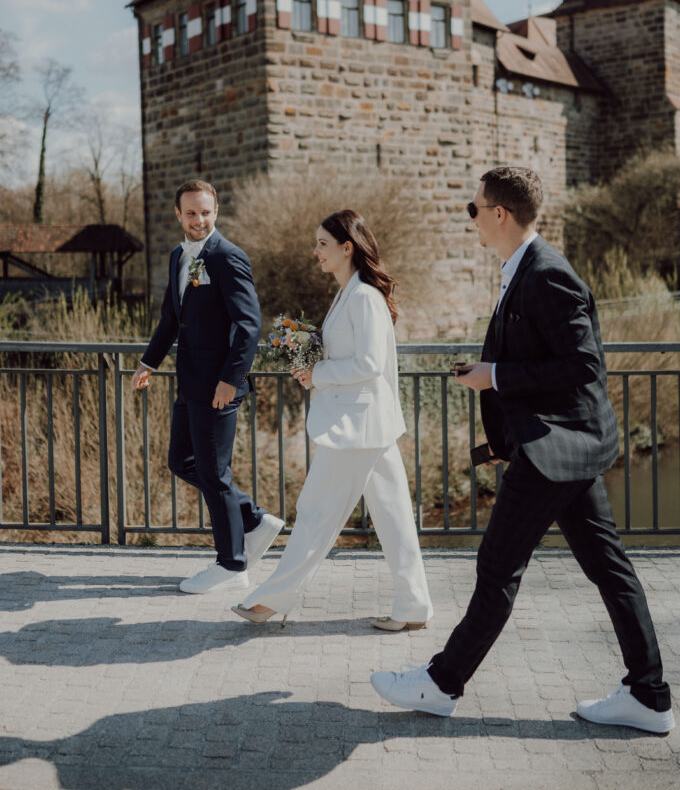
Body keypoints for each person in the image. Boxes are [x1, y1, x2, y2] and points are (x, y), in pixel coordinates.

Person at [371, 167, 675, 733]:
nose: (471, 218)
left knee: (497, 568)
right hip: (563, 448)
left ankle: (442, 683)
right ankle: (649, 695)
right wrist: (497, 403)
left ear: (499, 214)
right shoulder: (523, 268)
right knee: (610, 569)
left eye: (474, 208)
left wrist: (495, 375)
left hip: (554, 449)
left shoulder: (547, 273)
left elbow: (583, 365)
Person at [231, 209, 433, 629]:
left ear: (347, 248)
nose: (316, 251)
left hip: (357, 428)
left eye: (323, 244)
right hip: (367, 425)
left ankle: (271, 600)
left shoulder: (363, 298)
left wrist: (317, 373)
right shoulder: (350, 293)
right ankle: (414, 605)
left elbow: (370, 364)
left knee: (315, 512)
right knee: (394, 518)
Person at [131, 179, 283, 594]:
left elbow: (249, 325)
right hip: (190, 382)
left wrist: (230, 381)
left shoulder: (228, 257)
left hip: (219, 387)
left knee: (215, 474)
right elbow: (170, 318)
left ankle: (232, 565)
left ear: (216, 212)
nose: (199, 220)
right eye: (191, 213)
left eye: (206, 212)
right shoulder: (178, 255)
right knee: (181, 461)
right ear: (178, 215)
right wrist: (148, 362)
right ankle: (252, 518)